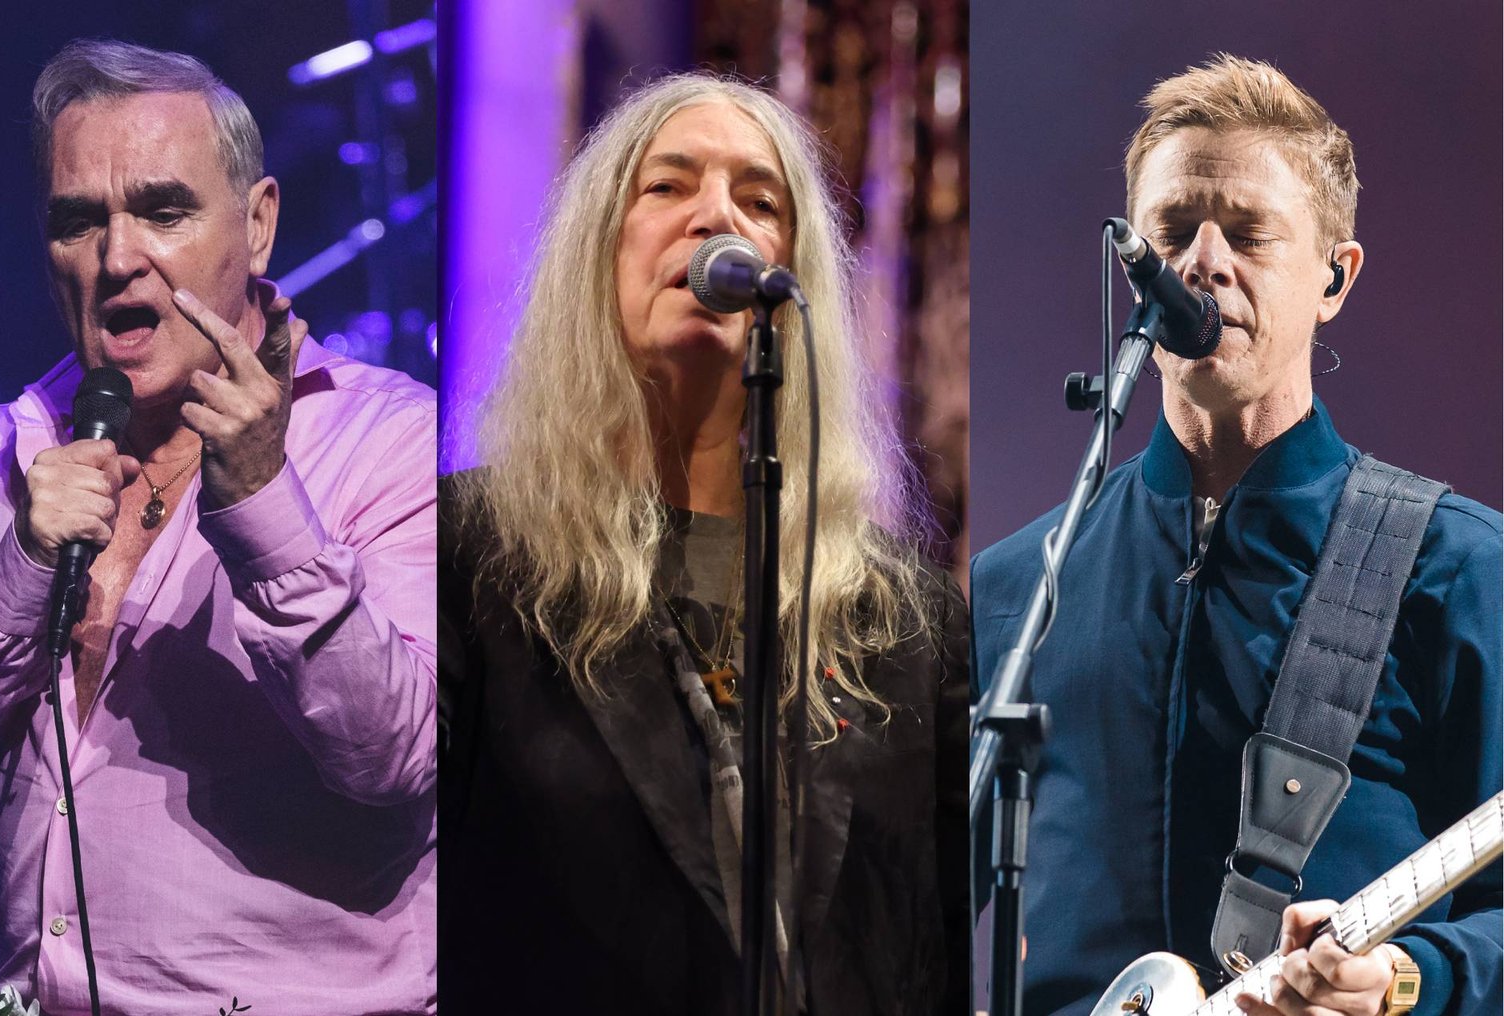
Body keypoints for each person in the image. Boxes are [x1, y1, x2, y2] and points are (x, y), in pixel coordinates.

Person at [0, 41, 437, 1014]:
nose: (116, 259)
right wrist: (20, 567)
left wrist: (267, 509)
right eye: (78, 221)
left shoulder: (393, 441)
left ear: (259, 223)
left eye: (162, 210)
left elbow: (394, 758)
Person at [969, 55, 1500, 1016]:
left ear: (1335, 278)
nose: (1202, 261)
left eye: (1249, 234)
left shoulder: (1459, 568)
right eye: (1171, 231)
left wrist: (1406, 980)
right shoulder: (1016, 588)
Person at [438, 74, 970, 1014]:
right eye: (668, 187)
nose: (715, 215)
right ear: (597, 253)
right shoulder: (469, 556)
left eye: (759, 201)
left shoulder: (905, 620)